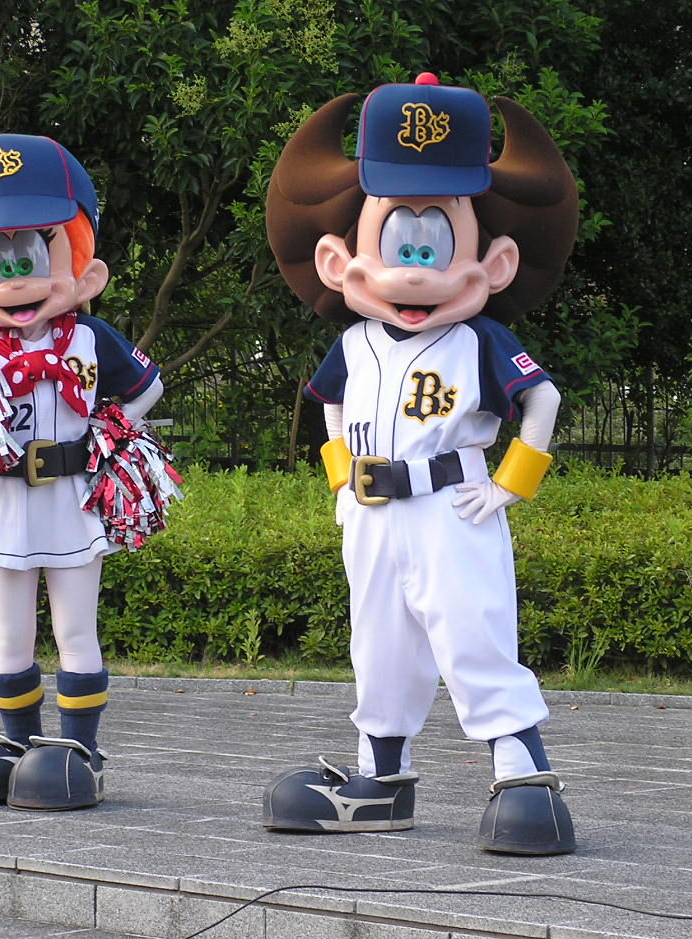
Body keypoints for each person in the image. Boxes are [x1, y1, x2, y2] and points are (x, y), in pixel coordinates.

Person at [260, 74, 579, 854]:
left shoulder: (478, 340)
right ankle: (382, 776)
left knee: (471, 635)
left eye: (432, 240)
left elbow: (544, 401)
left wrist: (511, 484)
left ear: (493, 261)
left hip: (449, 502)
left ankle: (522, 772)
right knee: (380, 641)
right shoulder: (354, 341)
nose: (413, 263)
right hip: (371, 508)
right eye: (398, 239)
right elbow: (329, 404)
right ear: (342, 258)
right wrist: (339, 476)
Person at [0, 134, 164, 810]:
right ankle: (18, 741)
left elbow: (144, 390)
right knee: (10, 631)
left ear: (83, 265)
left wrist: (109, 439)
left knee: (76, 627)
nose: (16, 275)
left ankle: (82, 749)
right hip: (3, 498)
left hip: (72, 497)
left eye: (36, 251)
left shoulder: (88, 338)